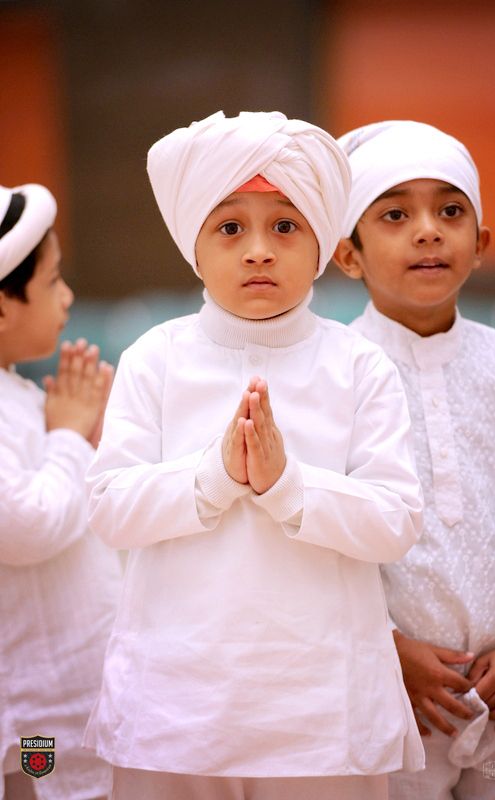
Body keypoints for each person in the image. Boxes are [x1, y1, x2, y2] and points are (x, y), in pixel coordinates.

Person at [84, 110, 425, 800]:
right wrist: (213, 477)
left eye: (285, 226)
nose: (259, 251)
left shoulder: (360, 365)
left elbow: (396, 522)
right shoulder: (155, 357)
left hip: (321, 711)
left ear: (322, 243)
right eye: (231, 228)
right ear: (195, 247)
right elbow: (109, 509)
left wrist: (287, 485)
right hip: (176, 701)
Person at [333, 120, 495, 799]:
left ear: (479, 246)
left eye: (450, 211)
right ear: (349, 256)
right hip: (388, 694)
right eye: (395, 215)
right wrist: (388, 648)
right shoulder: (332, 375)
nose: (427, 231)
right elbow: (318, 546)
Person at [0, 183, 123, 800]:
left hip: (79, 694)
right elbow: (23, 525)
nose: (67, 296)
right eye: (51, 282)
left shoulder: (17, 391)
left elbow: (66, 496)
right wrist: (71, 435)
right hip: (39, 714)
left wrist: (87, 441)